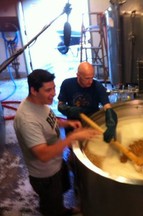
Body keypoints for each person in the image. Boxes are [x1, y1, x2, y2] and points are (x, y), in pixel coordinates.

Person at [13, 69, 100, 216]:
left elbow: (48, 121)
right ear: (33, 90)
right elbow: (43, 155)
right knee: (51, 205)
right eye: (48, 90)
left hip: (57, 164)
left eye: (53, 88)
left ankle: (63, 210)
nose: (53, 93)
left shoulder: (40, 102)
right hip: (45, 175)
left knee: (59, 197)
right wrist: (72, 138)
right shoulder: (27, 120)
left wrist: (67, 123)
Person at [57, 61, 117, 143]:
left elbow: (107, 107)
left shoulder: (98, 87)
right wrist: (68, 110)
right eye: (87, 78)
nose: (90, 81)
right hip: (73, 124)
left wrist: (111, 122)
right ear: (78, 75)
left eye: (92, 77)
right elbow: (60, 105)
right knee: (74, 148)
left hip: (92, 123)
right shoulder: (67, 84)